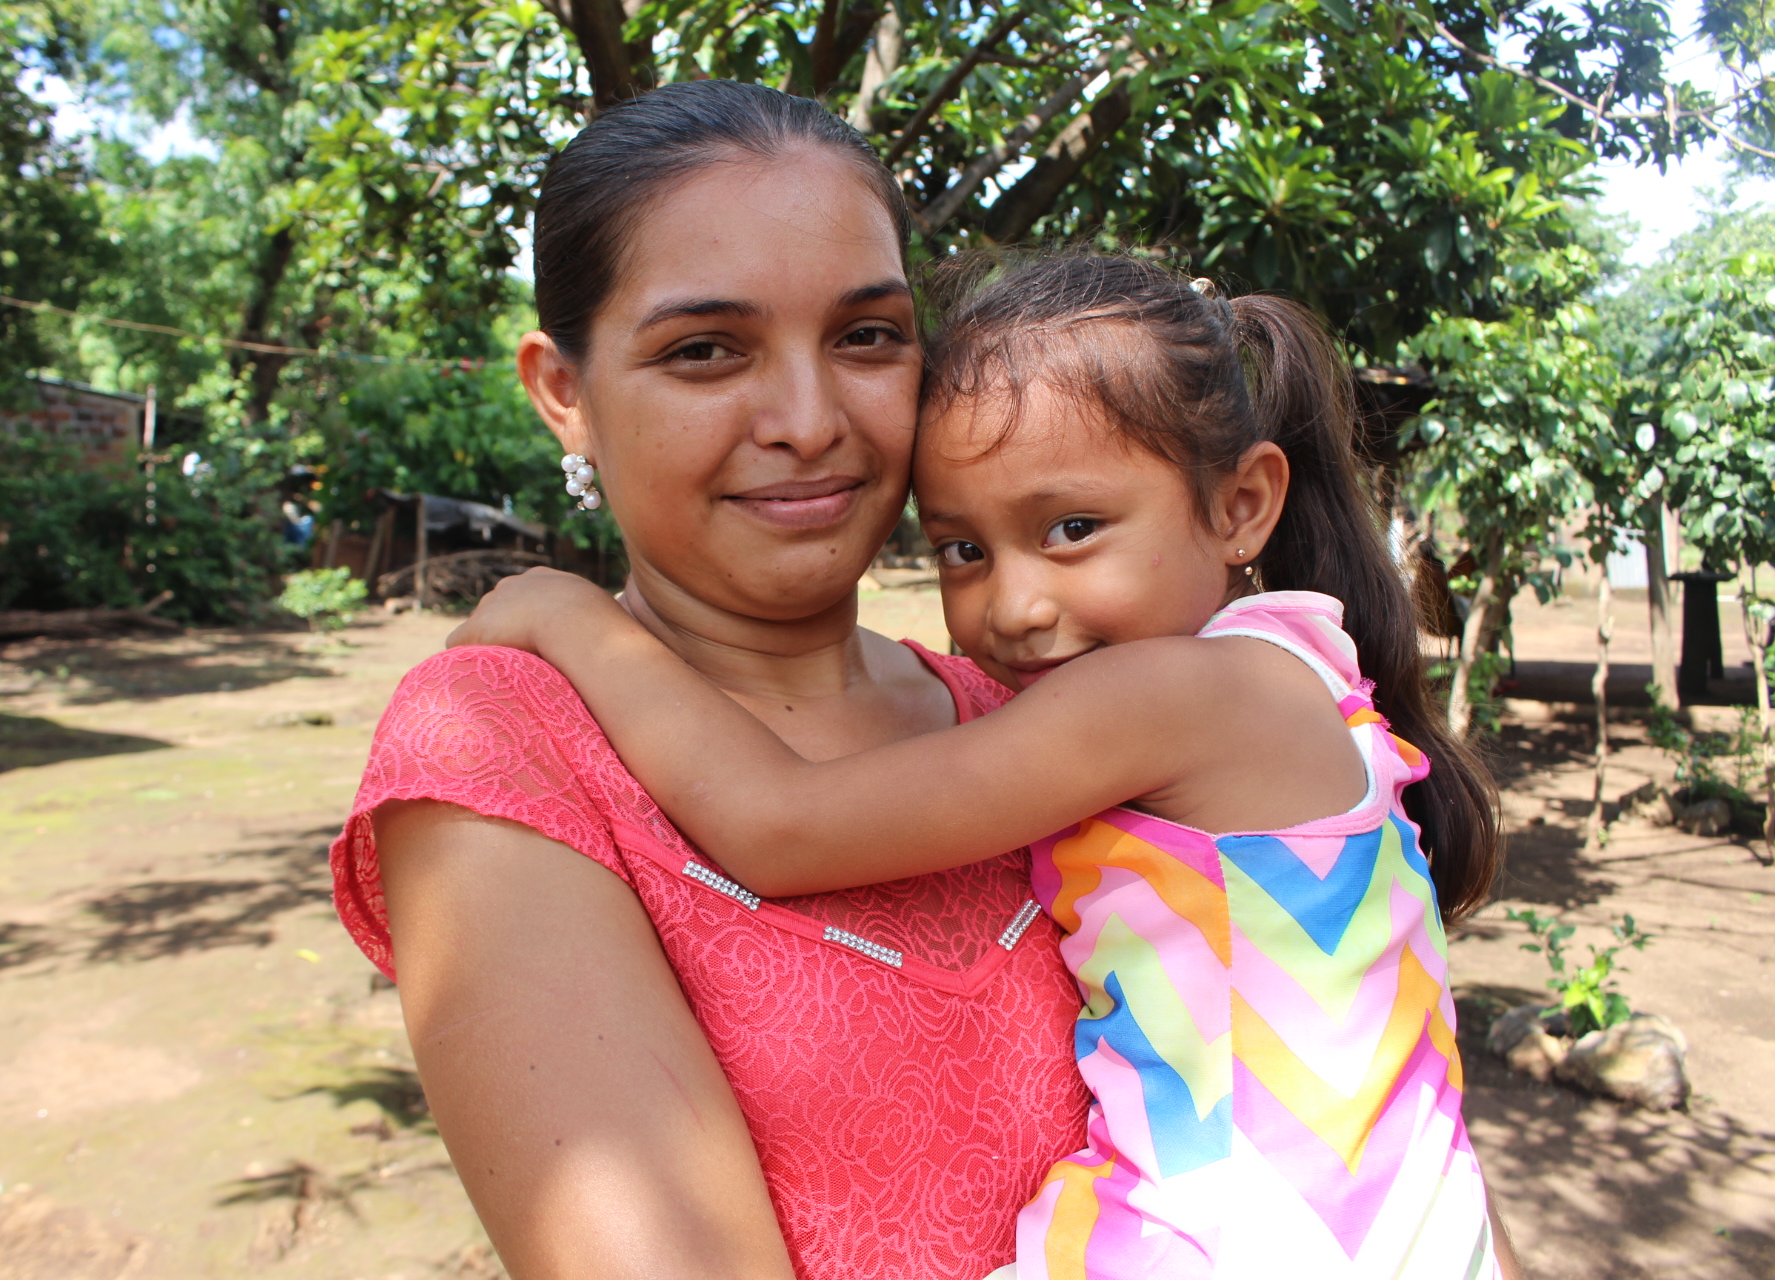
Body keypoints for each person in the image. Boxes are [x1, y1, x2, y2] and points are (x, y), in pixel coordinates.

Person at [449, 251, 1526, 1279]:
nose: (1014, 606)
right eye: (963, 549)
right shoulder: (1300, 669)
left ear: (1242, 505)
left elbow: (782, 824)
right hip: (1405, 1224)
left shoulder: (1171, 694)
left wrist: (572, 618)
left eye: (1072, 527)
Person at [328, 81, 1089, 1280]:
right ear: (564, 392)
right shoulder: (502, 751)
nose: (808, 420)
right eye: (704, 351)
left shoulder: (1038, 708)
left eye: (867, 336)